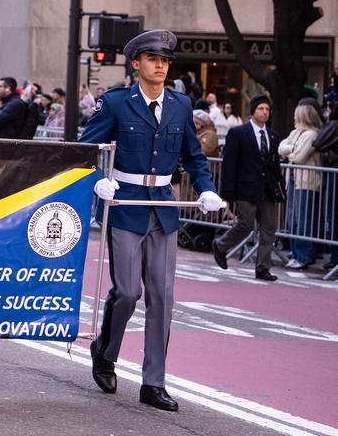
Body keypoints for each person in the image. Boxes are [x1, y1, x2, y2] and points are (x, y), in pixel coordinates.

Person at [80, 29, 223, 412]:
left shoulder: (179, 105)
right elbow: (88, 150)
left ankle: (153, 382)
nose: (160, 65)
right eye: (153, 59)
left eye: (165, 61)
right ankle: (104, 352)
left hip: (163, 205)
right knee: (128, 292)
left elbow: (193, 156)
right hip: (125, 203)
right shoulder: (114, 103)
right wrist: (99, 181)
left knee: (163, 296)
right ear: (136, 64)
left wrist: (205, 187)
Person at [213, 95, 281, 281]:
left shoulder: (273, 136)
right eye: (261, 109)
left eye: (267, 109)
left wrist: (279, 188)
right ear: (253, 111)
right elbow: (229, 163)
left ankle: (263, 268)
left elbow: (275, 166)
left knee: (269, 228)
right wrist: (227, 191)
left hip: (267, 189)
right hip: (245, 188)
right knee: (246, 224)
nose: (264, 112)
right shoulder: (238, 133)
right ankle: (221, 245)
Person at [279, 102, 324, 270]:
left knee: (304, 220)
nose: (293, 117)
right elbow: (280, 147)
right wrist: (293, 148)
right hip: (294, 180)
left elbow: (298, 157)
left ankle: (304, 256)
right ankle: (296, 253)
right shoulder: (296, 132)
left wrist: (290, 150)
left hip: (307, 182)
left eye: (296, 114)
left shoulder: (312, 134)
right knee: (293, 219)